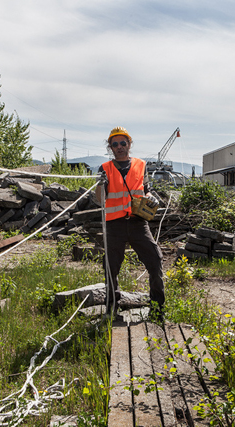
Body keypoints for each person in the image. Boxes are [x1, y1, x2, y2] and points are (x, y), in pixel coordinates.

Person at [96, 126, 165, 321]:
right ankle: (112, 310)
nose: (119, 147)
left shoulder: (141, 165)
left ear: (129, 144)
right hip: (114, 225)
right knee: (111, 267)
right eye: (115, 144)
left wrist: (151, 198)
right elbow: (100, 200)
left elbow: (146, 189)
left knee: (155, 260)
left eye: (122, 143)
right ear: (110, 147)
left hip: (137, 222)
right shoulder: (105, 168)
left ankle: (158, 310)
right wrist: (100, 184)